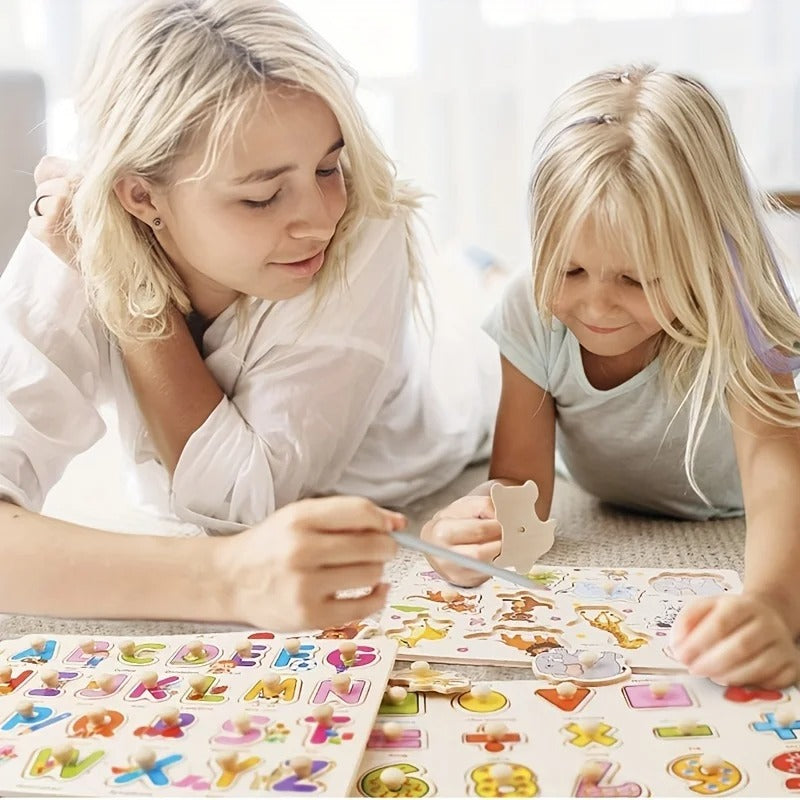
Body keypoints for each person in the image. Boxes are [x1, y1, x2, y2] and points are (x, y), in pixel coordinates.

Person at [1, 0, 496, 629]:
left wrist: (125, 298)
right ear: (141, 196)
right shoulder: (80, 231)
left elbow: (245, 505)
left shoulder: (359, 230)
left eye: (327, 166)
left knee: (490, 311)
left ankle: (479, 269)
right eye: (261, 197)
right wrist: (224, 580)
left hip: (448, 381)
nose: (320, 219)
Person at [421, 65, 800, 689]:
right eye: (570, 270)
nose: (596, 308)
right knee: (494, 290)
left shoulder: (741, 308)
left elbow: (777, 486)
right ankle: (477, 264)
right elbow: (521, 490)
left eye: (635, 281)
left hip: (724, 500)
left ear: (703, 257)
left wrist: (772, 605)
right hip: (593, 478)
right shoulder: (533, 306)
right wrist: (466, 531)